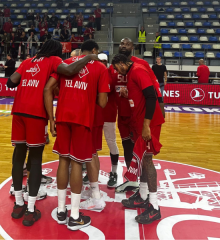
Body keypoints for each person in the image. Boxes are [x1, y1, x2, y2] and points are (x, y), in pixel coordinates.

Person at [6, 39, 100, 227]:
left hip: (18, 113)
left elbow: (11, 82)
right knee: (35, 160)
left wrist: (29, 78)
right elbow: (70, 70)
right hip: (35, 113)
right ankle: (31, 210)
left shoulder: (28, 61)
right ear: (56, 52)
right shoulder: (54, 60)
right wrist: (89, 57)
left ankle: (18, 204)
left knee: (18, 157)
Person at [43, 40, 109, 230]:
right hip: (82, 118)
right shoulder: (100, 67)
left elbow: (48, 89)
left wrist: (51, 119)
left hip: (63, 116)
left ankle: (61, 210)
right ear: (95, 51)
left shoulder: (66, 62)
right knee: (77, 163)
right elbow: (103, 103)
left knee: (63, 161)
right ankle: (74, 215)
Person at [111, 53, 164, 225]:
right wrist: (128, 96)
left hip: (149, 124)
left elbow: (151, 96)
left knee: (147, 160)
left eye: (116, 68)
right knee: (141, 159)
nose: (117, 71)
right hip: (141, 123)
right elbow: (141, 97)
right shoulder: (132, 73)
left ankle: (154, 207)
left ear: (121, 64)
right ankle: (142, 195)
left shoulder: (138, 71)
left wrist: (147, 125)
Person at [98, 53, 120, 187]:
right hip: (95, 114)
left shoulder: (111, 76)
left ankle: (114, 172)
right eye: (100, 61)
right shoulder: (97, 74)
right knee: (92, 145)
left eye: (104, 61)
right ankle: (90, 172)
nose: (102, 64)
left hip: (109, 114)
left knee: (111, 142)